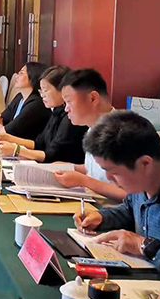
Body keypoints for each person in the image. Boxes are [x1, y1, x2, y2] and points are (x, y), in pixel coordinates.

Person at [74, 111, 160, 294]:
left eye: (114, 172)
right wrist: (102, 217)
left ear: (145, 163)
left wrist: (146, 247)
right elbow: (131, 209)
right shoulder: (143, 183)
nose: (108, 178)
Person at [0, 66, 88, 164]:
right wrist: (7, 138)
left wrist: (17, 150)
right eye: (41, 90)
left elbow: (53, 155)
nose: (42, 94)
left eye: (46, 90)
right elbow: (39, 143)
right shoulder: (56, 112)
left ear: (62, 90)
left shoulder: (70, 118)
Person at [54, 68, 126, 200]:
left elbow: (130, 195)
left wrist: (84, 181)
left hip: (109, 208)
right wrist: (71, 168)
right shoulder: (93, 129)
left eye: (69, 101)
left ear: (93, 98)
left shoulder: (123, 134)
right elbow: (94, 170)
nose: (66, 109)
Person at [0, 62, 51, 140]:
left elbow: (7, 133)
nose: (17, 76)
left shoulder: (36, 104)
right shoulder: (20, 97)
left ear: (32, 78)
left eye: (21, 73)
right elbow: (2, 118)